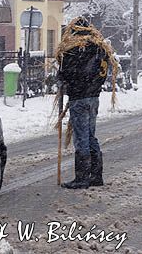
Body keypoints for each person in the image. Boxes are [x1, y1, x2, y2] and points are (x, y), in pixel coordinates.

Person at [56, 17, 117, 189]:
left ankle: (82, 177)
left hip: (79, 98)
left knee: (81, 137)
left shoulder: (76, 48)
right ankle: (96, 175)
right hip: (94, 97)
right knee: (90, 136)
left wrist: (62, 77)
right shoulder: (100, 48)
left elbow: (69, 73)